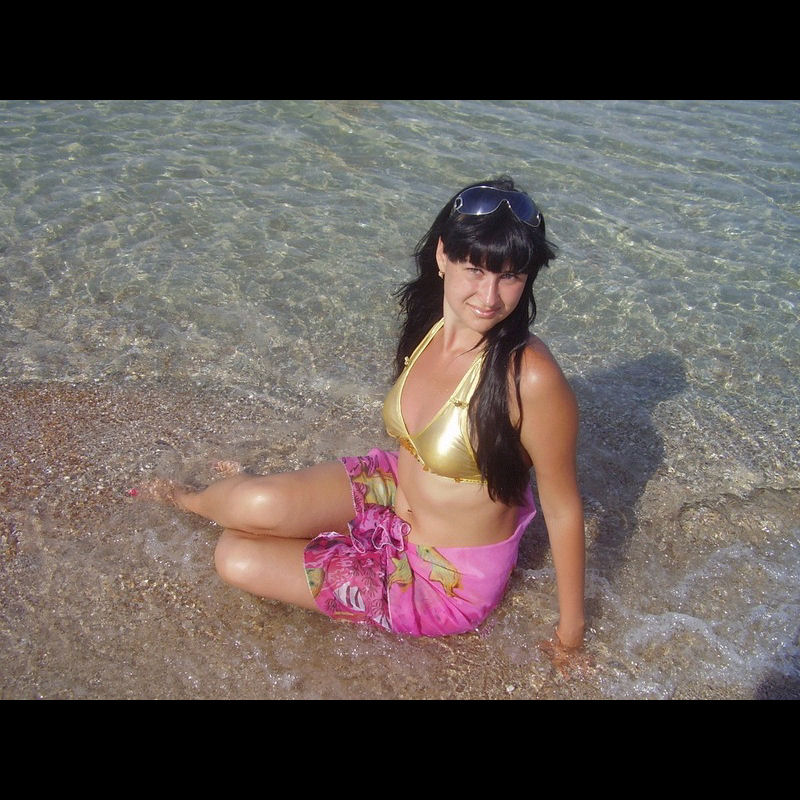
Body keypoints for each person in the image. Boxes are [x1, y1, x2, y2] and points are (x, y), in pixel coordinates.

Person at [132, 177, 585, 650]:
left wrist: (570, 635)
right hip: (394, 490)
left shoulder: (529, 376)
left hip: (439, 581)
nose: (489, 297)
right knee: (254, 504)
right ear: (442, 255)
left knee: (236, 556)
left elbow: (563, 507)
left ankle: (263, 517)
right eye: (475, 270)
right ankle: (188, 499)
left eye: (510, 277)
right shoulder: (429, 326)